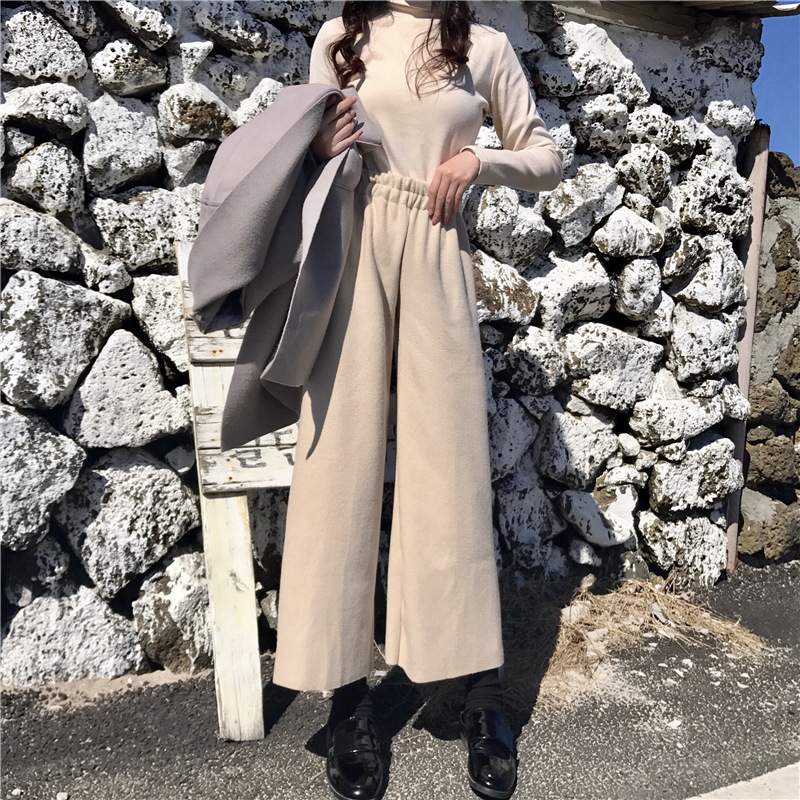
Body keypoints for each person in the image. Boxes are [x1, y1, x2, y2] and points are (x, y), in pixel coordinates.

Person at [270, 2, 563, 798]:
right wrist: (318, 148)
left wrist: (480, 162)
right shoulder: (343, 37)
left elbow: (546, 157)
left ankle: (482, 690)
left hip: (437, 247)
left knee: (453, 470)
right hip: (353, 244)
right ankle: (346, 697)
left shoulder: (486, 47)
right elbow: (304, 165)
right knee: (337, 464)